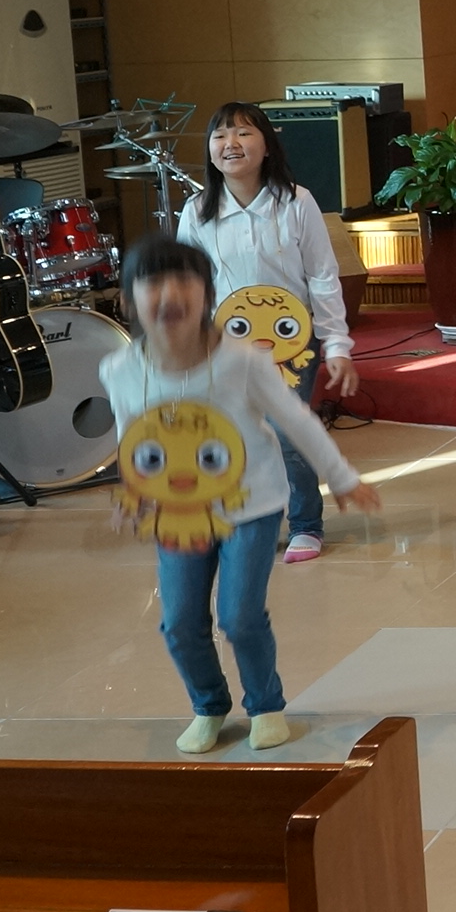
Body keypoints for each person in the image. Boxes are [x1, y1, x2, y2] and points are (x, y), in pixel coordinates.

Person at [106, 235, 380, 754]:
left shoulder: (242, 361)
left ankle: (265, 705)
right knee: (180, 622)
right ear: (127, 301)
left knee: (239, 616)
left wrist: (342, 477)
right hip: (180, 512)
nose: (170, 293)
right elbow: (133, 436)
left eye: (185, 281)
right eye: (153, 282)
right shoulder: (119, 370)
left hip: (252, 505)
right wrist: (135, 488)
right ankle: (209, 705)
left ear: (208, 297)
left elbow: (296, 419)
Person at [174, 102, 357, 565]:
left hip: (290, 346)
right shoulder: (196, 211)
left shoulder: (297, 202)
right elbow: (187, 285)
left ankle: (306, 524)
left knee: (286, 430)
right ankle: (247, 520)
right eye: (220, 136)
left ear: (267, 146)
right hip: (223, 345)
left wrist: (336, 343)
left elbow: (322, 277)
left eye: (243, 133)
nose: (230, 144)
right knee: (232, 433)